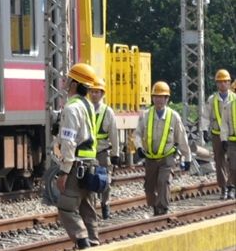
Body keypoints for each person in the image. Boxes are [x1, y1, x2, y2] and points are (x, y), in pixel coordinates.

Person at [54, 62, 102, 248]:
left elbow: (69, 142)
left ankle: (82, 242)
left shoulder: (71, 108)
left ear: (74, 84)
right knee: (87, 208)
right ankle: (94, 244)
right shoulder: (88, 106)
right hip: (90, 163)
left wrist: (64, 171)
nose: (65, 83)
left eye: (68, 79)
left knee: (66, 207)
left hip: (76, 165)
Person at [134, 81, 192, 215]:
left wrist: (187, 157)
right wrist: (139, 147)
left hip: (167, 157)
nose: (159, 100)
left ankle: (163, 209)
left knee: (163, 182)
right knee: (149, 187)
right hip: (150, 157)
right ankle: (155, 206)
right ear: (152, 98)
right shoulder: (145, 115)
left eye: (162, 97)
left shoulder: (174, 116)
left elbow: (182, 138)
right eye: (156, 96)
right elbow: (137, 133)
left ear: (167, 99)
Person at [90, 77, 120, 219]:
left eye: (97, 92)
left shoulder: (108, 112)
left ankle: (105, 205)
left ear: (102, 94)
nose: (94, 94)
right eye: (92, 91)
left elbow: (114, 134)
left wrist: (115, 153)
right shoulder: (85, 109)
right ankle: (91, 208)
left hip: (102, 152)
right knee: (89, 181)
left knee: (105, 181)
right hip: (88, 153)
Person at [203, 68, 234, 199]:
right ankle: (223, 188)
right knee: (219, 162)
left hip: (232, 136)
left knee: (232, 162)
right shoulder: (212, 99)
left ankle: (231, 186)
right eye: (220, 82)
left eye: (225, 81)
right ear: (216, 84)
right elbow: (205, 116)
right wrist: (204, 129)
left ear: (229, 83)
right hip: (217, 134)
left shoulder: (234, 98)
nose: (222, 84)